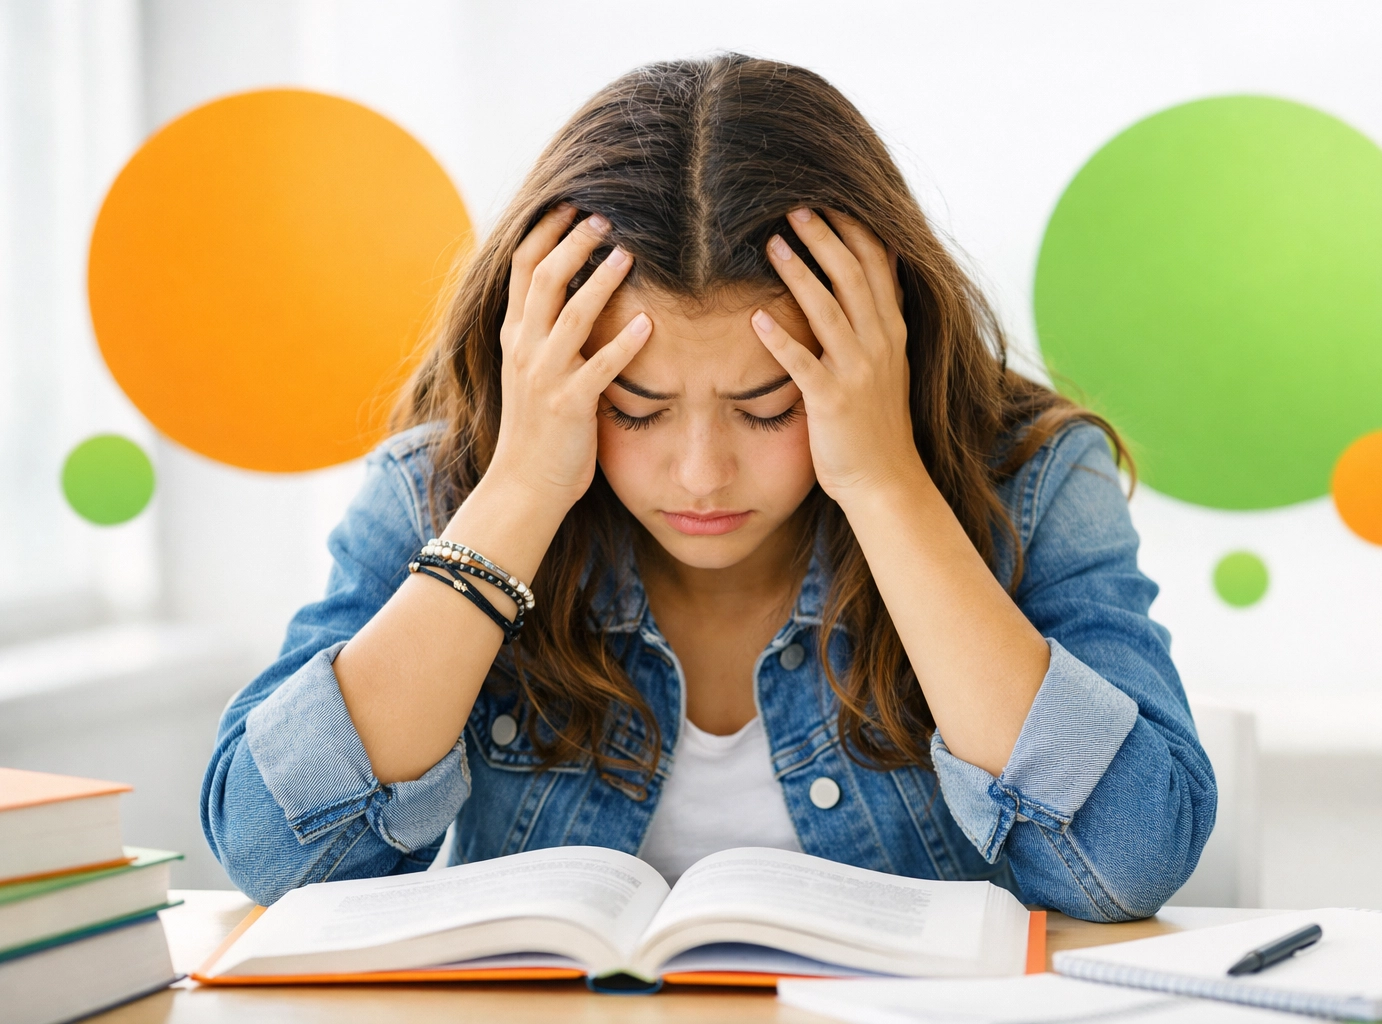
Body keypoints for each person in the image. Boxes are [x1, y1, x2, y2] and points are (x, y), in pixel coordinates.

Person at [201, 53, 1215, 923]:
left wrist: (887, 482)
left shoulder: (1033, 482)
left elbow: (1128, 860)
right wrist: (515, 496)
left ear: (880, 354)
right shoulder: (447, 490)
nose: (699, 473)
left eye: (771, 406)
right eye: (635, 408)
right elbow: (271, 852)